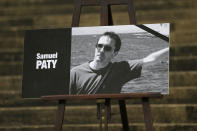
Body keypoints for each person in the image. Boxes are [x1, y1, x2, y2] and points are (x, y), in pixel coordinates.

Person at [69, 32, 169, 94]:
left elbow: (151, 59)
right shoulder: (75, 73)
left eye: (107, 48)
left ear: (115, 53)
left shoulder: (120, 69)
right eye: (99, 46)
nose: (101, 50)